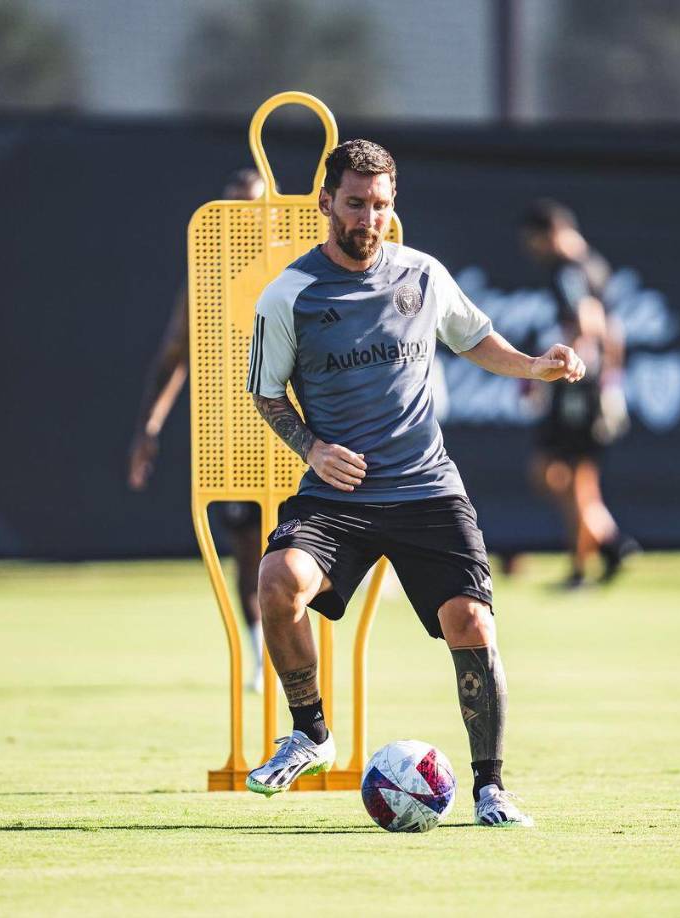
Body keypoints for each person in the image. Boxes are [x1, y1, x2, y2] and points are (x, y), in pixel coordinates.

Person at [243, 140, 585, 826]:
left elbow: (474, 338)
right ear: (326, 203)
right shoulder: (290, 295)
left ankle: (490, 788)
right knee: (277, 581)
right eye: (354, 203)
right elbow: (266, 394)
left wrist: (534, 367)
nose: (368, 218)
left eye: (379, 204)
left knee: (474, 623)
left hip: (427, 488)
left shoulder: (423, 274)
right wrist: (312, 448)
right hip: (338, 494)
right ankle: (310, 733)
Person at [128, 167, 267, 691]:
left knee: (304, 547)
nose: (239, 224)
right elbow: (175, 352)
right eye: (230, 213)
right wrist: (149, 425)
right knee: (249, 551)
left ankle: (299, 652)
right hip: (232, 432)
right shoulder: (207, 275)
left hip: (297, 432)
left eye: (249, 211)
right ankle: (261, 657)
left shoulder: (298, 266)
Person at [521, 199, 639, 589]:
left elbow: (587, 323)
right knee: (570, 477)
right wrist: (614, 383)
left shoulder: (568, 269)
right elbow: (614, 331)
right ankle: (608, 543)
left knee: (567, 477)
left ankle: (582, 564)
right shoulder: (595, 263)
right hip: (595, 384)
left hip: (578, 386)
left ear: (549, 234)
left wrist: (553, 373)